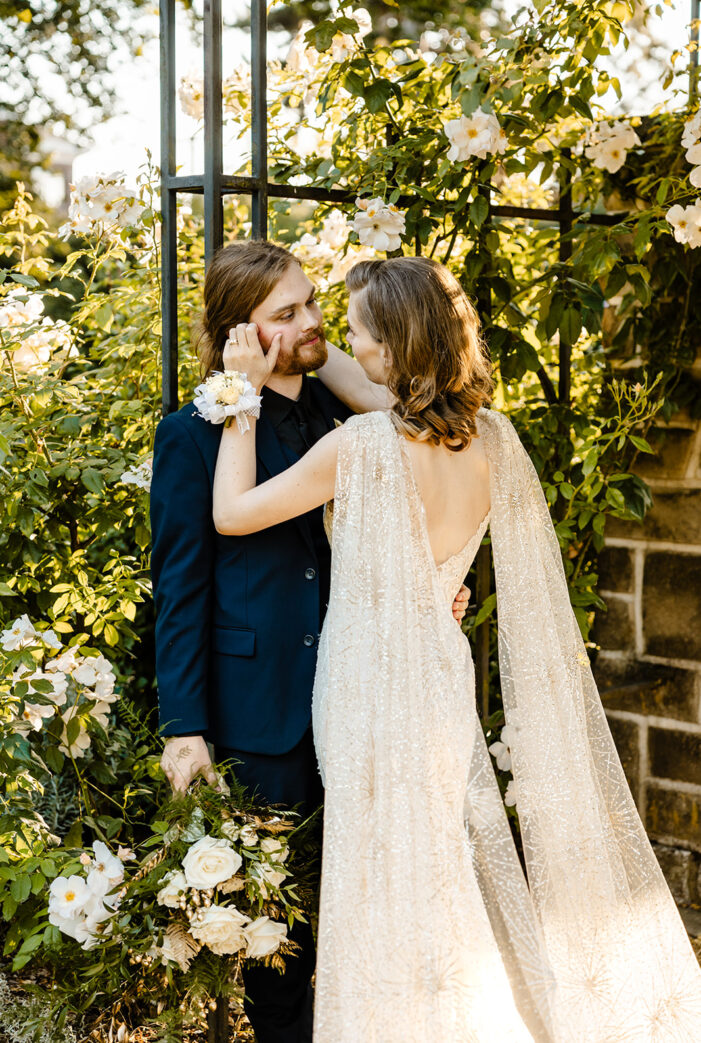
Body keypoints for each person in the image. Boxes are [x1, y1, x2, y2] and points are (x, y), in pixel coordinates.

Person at [212, 255, 701, 1042]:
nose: (347, 345)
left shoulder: (359, 446)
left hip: (367, 688)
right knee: (436, 865)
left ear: (391, 345)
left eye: (357, 332)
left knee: (380, 874)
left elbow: (233, 513)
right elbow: (398, 423)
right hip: (439, 677)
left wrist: (239, 397)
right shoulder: (492, 440)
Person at [150, 241, 470, 1043]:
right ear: (240, 332)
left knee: (377, 905)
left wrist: (432, 592)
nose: (312, 321)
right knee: (275, 938)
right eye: (285, 313)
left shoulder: (357, 416)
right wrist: (184, 726)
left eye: (311, 302)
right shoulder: (191, 435)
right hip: (263, 714)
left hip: (371, 704)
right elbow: (180, 588)